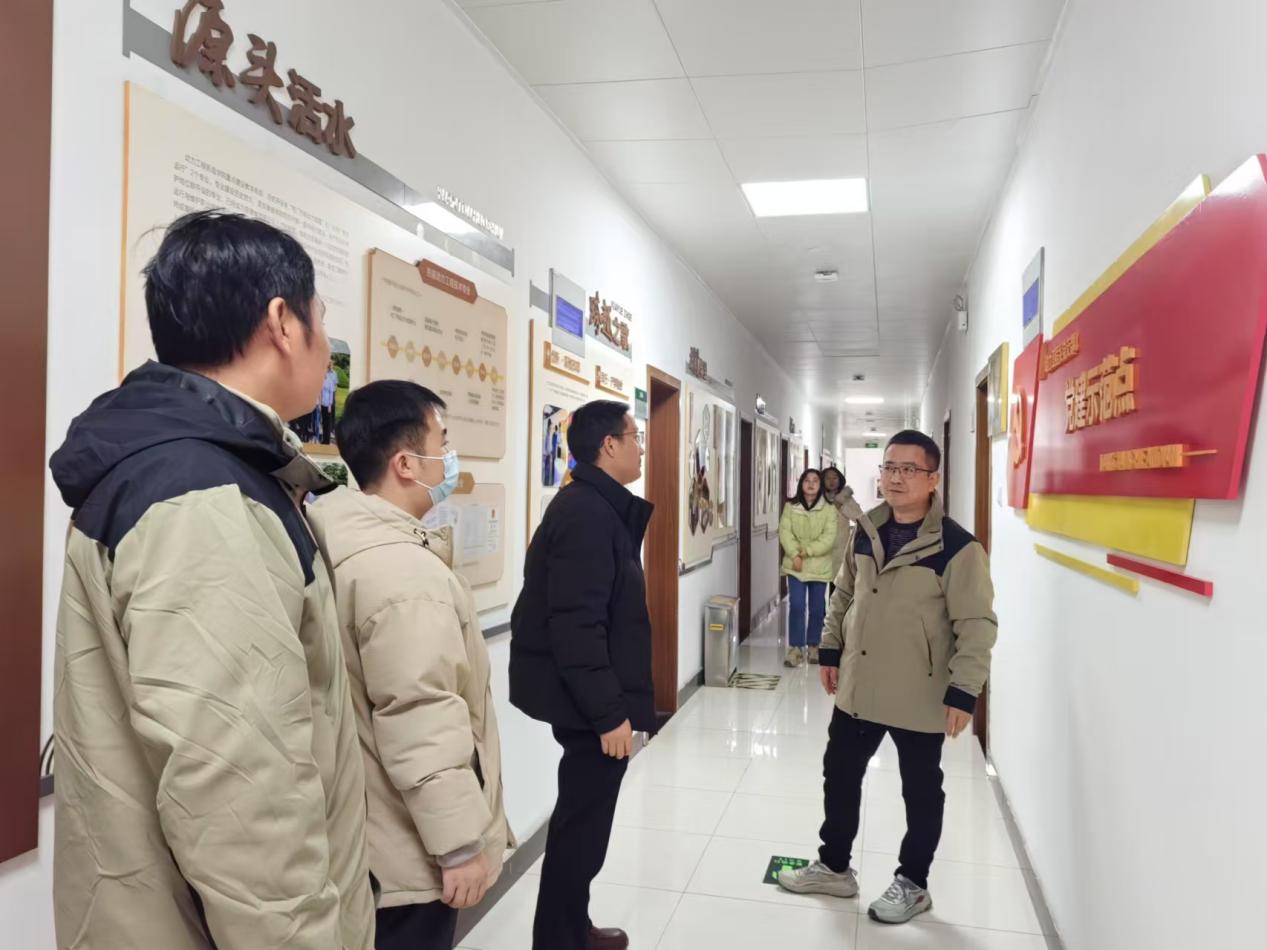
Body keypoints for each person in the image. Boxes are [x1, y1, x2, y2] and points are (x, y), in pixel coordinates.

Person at [48, 211, 375, 949]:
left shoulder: (196, 468)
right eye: (322, 319)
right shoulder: (202, 495)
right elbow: (241, 797)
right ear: (282, 323)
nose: (326, 346)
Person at [309, 381, 513, 950]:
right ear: (405, 463)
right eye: (441, 443)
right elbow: (420, 716)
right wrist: (460, 847)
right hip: (406, 853)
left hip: (360, 836)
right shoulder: (402, 573)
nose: (449, 457)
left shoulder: (334, 536)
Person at [778, 430, 998, 925]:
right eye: (889, 468)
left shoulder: (958, 547)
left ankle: (913, 882)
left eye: (909, 470)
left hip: (919, 691)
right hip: (859, 683)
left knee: (920, 790)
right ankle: (835, 866)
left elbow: (977, 625)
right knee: (839, 773)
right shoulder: (865, 529)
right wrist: (829, 648)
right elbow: (843, 592)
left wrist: (965, 691)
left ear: (933, 479)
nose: (896, 478)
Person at [509, 400, 655, 950]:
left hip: (590, 697)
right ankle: (559, 939)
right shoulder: (586, 513)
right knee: (579, 829)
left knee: (585, 826)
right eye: (635, 437)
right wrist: (608, 713)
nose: (641, 448)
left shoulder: (597, 505)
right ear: (609, 445)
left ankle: (572, 927)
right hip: (590, 705)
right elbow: (576, 623)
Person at [778, 468, 838, 668]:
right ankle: (796, 648)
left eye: (815, 480)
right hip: (795, 565)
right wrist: (795, 554)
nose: (811, 484)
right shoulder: (790, 506)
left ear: (820, 485)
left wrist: (806, 552)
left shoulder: (829, 509)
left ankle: (814, 645)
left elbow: (829, 537)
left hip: (819, 566)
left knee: (817, 608)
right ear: (801, 484)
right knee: (796, 605)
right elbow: (785, 532)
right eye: (807, 480)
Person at [821, 465, 850, 595]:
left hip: (840, 549)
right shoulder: (817, 499)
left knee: (837, 587)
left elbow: (858, 517)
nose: (832, 481)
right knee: (818, 588)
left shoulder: (846, 498)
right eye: (828, 478)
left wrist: (842, 507)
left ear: (840, 480)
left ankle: (834, 608)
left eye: (835, 478)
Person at [320, 359, 339, 444]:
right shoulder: (325, 375)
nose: (330, 365)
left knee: (330, 416)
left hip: (331, 396)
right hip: (324, 400)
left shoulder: (334, 374)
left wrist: (330, 403)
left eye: (331, 364)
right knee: (324, 420)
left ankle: (330, 432)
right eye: (329, 364)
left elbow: (335, 385)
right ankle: (325, 437)